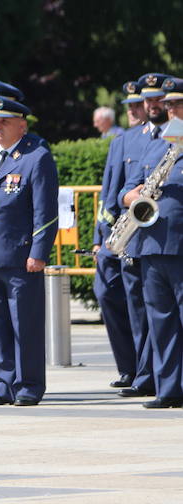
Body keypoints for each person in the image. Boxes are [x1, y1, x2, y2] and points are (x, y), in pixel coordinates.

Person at [0, 94, 59, 406]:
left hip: (20, 256)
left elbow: (45, 211)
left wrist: (39, 251)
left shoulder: (36, 157)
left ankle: (28, 385)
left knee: (25, 325)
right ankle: (3, 384)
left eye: (4, 121)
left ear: (22, 124)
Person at [119, 77, 183, 408]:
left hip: (181, 244)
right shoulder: (156, 143)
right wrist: (138, 194)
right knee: (161, 320)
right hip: (152, 243)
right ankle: (169, 389)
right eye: (168, 105)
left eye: (176, 105)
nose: (170, 110)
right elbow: (125, 191)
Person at [105, 72, 170, 399]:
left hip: (168, 238)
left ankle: (161, 378)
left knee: (161, 315)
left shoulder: (172, 137)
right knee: (140, 311)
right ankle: (145, 375)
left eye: (161, 99)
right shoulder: (131, 139)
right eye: (150, 100)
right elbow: (117, 190)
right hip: (135, 236)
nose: (154, 105)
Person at [91, 81, 143, 389]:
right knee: (106, 292)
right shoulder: (120, 142)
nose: (134, 110)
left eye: (138, 105)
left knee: (141, 304)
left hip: (146, 233)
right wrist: (100, 238)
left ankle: (145, 370)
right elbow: (108, 193)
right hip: (119, 235)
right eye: (130, 106)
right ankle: (128, 365)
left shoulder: (163, 137)